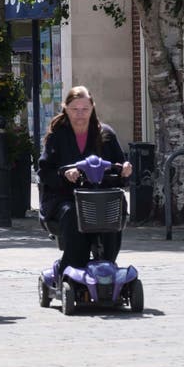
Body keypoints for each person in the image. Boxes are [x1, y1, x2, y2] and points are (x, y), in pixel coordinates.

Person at [38, 86, 133, 271]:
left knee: (114, 209)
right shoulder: (57, 135)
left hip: (101, 196)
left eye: (85, 109)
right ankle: (73, 265)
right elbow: (44, 171)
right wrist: (64, 174)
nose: (80, 114)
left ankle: (107, 264)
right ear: (65, 108)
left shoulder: (105, 134)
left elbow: (120, 167)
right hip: (65, 197)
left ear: (92, 108)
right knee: (74, 213)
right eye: (75, 109)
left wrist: (125, 171)